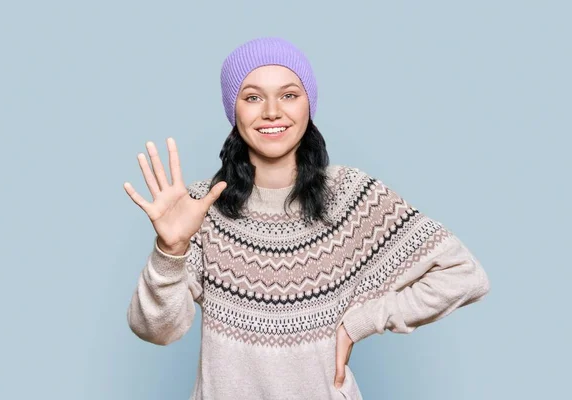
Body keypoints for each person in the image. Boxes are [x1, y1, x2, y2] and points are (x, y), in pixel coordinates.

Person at [123, 37, 491, 400]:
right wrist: (170, 250)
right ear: (233, 110)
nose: (271, 111)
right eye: (252, 97)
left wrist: (361, 322)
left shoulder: (350, 196)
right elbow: (156, 330)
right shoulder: (203, 205)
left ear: (308, 106)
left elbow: (464, 275)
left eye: (289, 95)